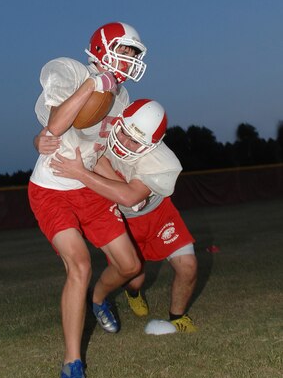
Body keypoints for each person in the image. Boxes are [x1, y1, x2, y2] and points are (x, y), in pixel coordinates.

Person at [28, 22, 147, 378]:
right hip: (52, 188)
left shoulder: (123, 97)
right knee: (79, 264)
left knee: (130, 266)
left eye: (133, 54)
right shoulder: (69, 70)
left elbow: (102, 151)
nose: (129, 60)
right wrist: (93, 84)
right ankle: (71, 361)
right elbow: (55, 128)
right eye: (124, 51)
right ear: (101, 48)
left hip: (89, 187)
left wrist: (121, 187)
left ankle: (99, 299)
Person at [49, 99, 198, 334]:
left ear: (153, 145)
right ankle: (133, 292)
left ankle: (177, 316)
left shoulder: (163, 162)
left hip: (157, 213)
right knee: (134, 277)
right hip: (121, 218)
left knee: (188, 266)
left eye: (136, 141)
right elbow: (58, 125)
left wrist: (82, 171)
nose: (124, 143)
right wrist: (40, 139)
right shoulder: (103, 123)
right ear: (118, 121)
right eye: (125, 133)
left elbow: (131, 198)